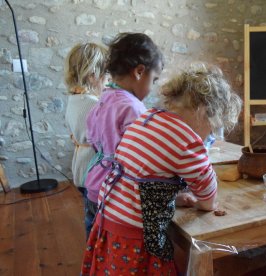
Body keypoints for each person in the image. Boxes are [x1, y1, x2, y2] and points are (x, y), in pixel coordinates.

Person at [80, 63, 242, 275]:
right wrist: (205, 202)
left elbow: (139, 181)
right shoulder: (187, 140)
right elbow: (208, 197)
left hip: (108, 221)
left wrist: (175, 198)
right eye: (212, 128)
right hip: (136, 237)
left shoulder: (146, 119)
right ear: (205, 112)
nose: (209, 136)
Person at [83, 32, 163, 239]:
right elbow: (141, 160)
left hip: (93, 187)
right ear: (139, 71)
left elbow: (93, 143)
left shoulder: (100, 101)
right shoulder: (133, 108)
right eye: (153, 80)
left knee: (95, 249)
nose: (152, 88)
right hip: (116, 195)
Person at [64, 42, 108, 235]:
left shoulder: (74, 98)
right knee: (98, 220)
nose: (107, 81)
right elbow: (104, 142)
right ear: (92, 75)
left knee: (90, 216)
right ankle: (97, 256)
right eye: (106, 76)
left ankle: (91, 256)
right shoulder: (93, 105)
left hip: (81, 166)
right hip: (93, 170)